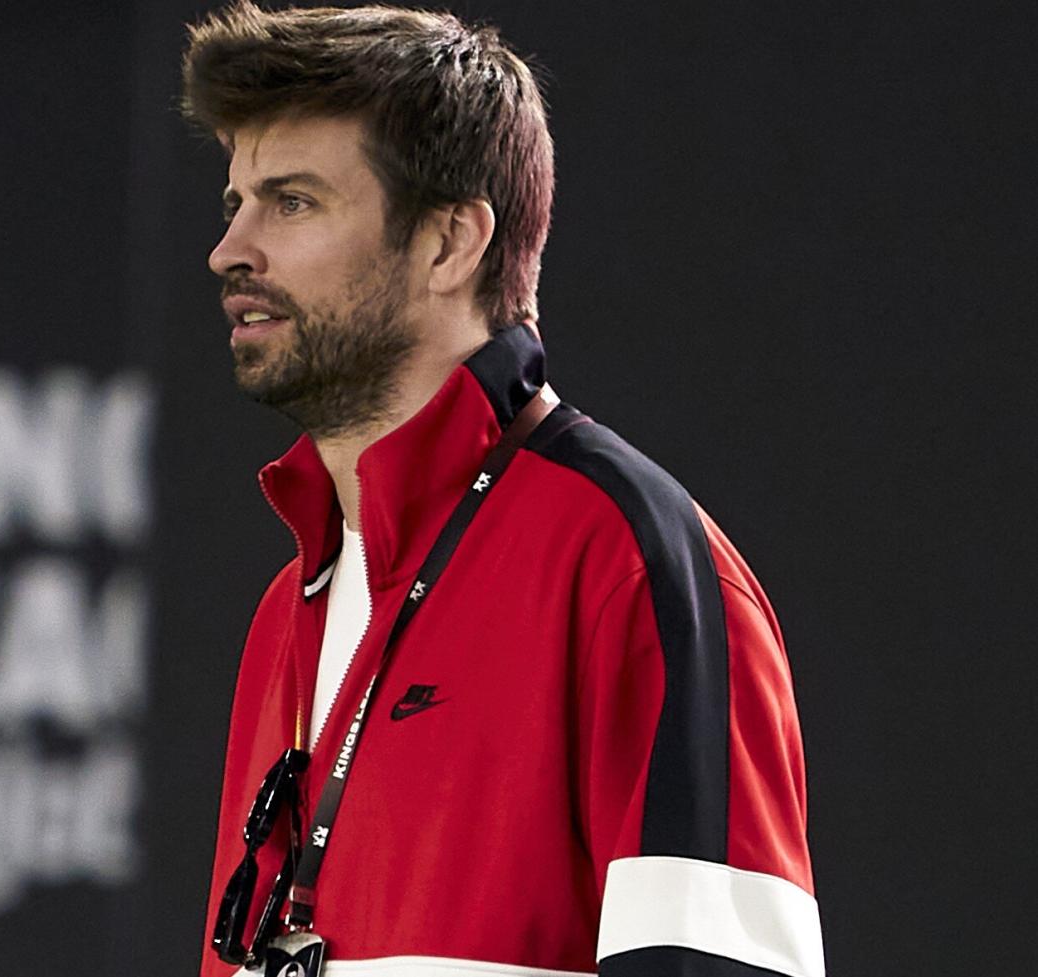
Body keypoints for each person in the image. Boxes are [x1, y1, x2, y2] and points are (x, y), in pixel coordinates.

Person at [182, 3, 825, 977]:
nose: (232, 248)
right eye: (236, 201)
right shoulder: (291, 603)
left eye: (294, 200)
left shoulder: (621, 555)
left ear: (450, 243)